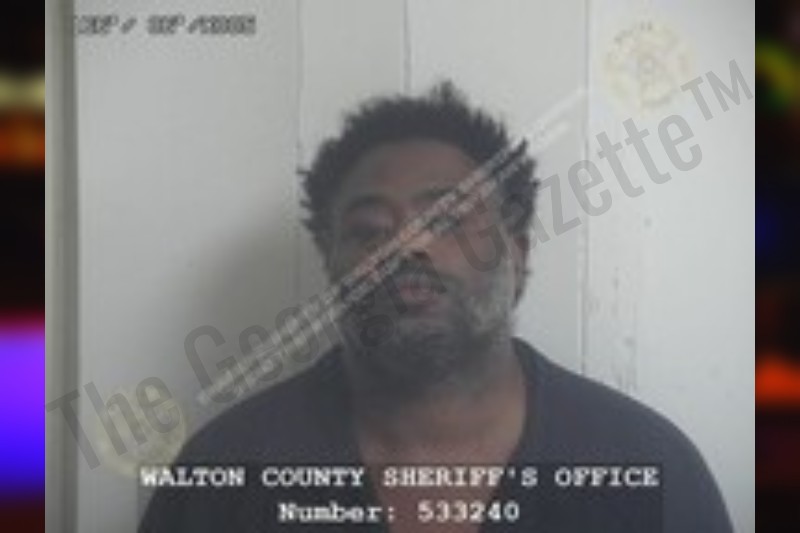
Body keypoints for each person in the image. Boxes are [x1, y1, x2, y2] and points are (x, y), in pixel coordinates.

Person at [140, 82, 732, 532]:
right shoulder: (224, 474)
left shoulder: (647, 467)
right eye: (370, 229)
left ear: (518, 253)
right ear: (331, 266)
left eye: (447, 220)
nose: (406, 246)